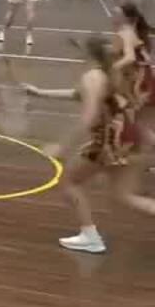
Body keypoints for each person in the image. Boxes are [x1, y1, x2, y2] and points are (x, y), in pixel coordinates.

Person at [23, 36, 155, 253]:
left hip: (110, 140)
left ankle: (90, 236)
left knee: (70, 182)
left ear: (86, 54)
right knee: (126, 196)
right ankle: (89, 236)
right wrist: (39, 92)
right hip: (130, 137)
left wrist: (62, 146)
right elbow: (78, 94)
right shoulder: (111, 74)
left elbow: (88, 117)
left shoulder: (92, 77)